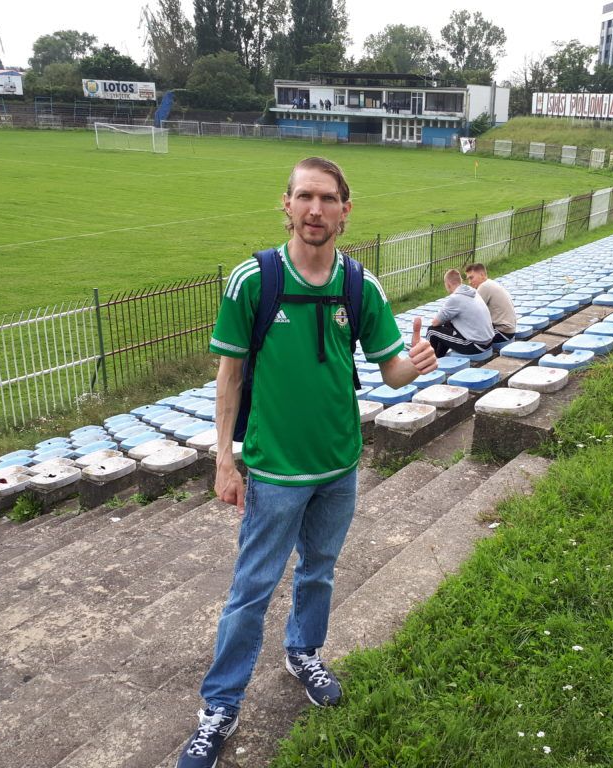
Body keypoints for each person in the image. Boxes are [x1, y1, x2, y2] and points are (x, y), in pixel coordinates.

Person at [176, 156, 438, 768]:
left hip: (339, 465)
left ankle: (304, 653)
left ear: (347, 209)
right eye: (305, 197)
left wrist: (418, 362)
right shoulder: (254, 281)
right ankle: (220, 705)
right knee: (251, 590)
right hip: (273, 470)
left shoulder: (359, 286)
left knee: (319, 570)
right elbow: (230, 376)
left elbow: (389, 368)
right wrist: (224, 460)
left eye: (328, 198)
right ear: (286, 205)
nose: (315, 210)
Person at [425, 268, 495, 357]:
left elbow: (435, 323)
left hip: (475, 346)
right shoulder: (472, 291)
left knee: (432, 331)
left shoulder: (456, 298)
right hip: (488, 341)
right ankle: (439, 356)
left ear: (448, 284)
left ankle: (427, 363)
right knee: (448, 323)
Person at [463, 262, 517, 344]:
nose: (469, 282)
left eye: (471, 278)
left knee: (463, 333)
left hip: (503, 332)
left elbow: (470, 313)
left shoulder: (484, 286)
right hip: (507, 330)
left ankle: (440, 355)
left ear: (482, 275)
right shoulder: (489, 283)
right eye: (468, 279)